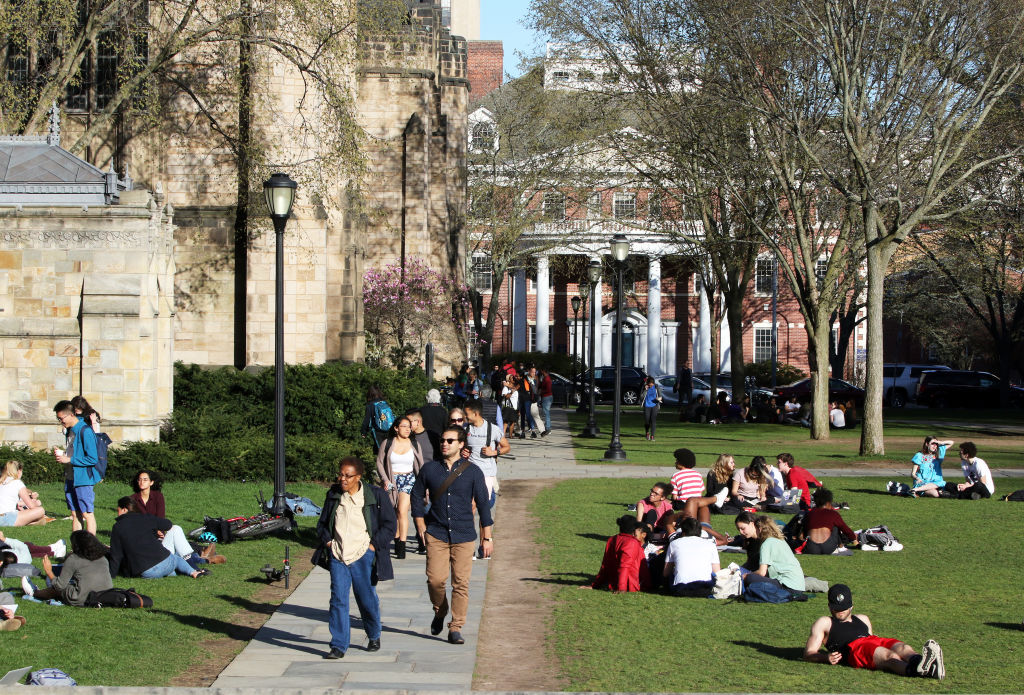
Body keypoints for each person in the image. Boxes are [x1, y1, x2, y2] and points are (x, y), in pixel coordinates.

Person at [412, 427, 493, 646]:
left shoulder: (473, 472)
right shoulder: (430, 469)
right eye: (442, 440)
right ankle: (440, 611)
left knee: (461, 584)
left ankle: (456, 627)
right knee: (435, 580)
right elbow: (416, 494)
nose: (444, 443)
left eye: (450, 440)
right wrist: (419, 521)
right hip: (436, 533)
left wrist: (487, 537)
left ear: (461, 445)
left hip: (464, 535)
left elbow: (484, 504)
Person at [316, 457, 396, 659]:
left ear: (358, 477)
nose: (342, 479)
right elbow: (322, 524)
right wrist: (329, 543)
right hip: (338, 555)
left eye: (347, 476)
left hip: (363, 555)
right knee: (338, 599)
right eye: (341, 474)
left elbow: (390, 525)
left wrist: (372, 547)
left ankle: (374, 634)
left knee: (366, 598)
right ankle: (339, 645)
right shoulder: (334, 495)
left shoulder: (375, 495)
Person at [804, 584, 944, 679]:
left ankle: (926, 665)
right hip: (854, 649)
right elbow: (808, 654)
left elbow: (872, 640)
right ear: (829, 606)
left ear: (852, 606)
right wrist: (825, 657)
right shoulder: (824, 622)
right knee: (889, 656)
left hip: (873, 640)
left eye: (844, 608)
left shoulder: (863, 618)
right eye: (837, 608)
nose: (840, 612)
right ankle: (924, 670)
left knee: (903, 648)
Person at [108, 497, 208, 579]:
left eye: (118, 510)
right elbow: (168, 524)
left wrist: (111, 576)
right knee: (176, 559)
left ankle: (177, 571)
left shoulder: (117, 527)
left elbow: (116, 555)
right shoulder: (145, 518)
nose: (118, 512)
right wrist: (155, 529)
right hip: (164, 560)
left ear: (124, 509)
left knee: (167, 571)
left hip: (145, 571)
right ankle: (193, 572)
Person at [375, 416, 425, 560]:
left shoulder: (414, 443)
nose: (407, 429)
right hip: (392, 479)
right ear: (396, 428)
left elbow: (421, 464)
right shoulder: (388, 443)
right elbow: (379, 462)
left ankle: (401, 546)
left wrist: (424, 484)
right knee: (394, 511)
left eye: (409, 426)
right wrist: (385, 479)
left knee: (402, 511)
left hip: (409, 479)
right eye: (404, 426)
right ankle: (396, 540)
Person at [22, 531, 113, 606]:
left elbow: (59, 586)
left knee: (57, 590)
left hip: (82, 599)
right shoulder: (102, 558)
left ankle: (34, 593)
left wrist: (49, 571)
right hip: (105, 596)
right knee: (71, 584)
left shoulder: (74, 559)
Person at [53, 400, 100, 535]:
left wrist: (69, 459)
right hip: (70, 477)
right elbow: (73, 452)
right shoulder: (70, 431)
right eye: (59, 419)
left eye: (62, 418)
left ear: (71, 415)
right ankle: (77, 549)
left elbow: (92, 458)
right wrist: (63, 454)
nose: (61, 421)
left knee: (87, 514)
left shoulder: (85, 431)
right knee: (75, 514)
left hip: (83, 479)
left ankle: (91, 549)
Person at [734, 513, 805, 591]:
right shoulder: (777, 540)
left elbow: (762, 572)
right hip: (796, 583)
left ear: (758, 527)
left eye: (742, 528)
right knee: (740, 573)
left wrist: (747, 575)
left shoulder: (766, 543)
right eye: (739, 529)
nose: (740, 532)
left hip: (785, 584)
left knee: (749, 578)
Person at [463, 399, 510, 512]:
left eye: (466, 414)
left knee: (484, 509)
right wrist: (462, 452)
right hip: (469, 472)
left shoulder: (493, 429)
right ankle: (469, 529)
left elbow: (507, 447)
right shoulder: (466, 429)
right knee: (471, 505)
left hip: (486, 473)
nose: (465, 417)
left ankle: (484, 528)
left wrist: (493, 452)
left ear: (475, 414)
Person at [588, 514, 650, 593]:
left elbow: (605, 565)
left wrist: (595, 585)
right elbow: (624, 566)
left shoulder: (612, 539)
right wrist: (622, 588)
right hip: (631, 584)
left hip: (614, 582)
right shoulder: (632, 542)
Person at [663, 517, 720, 596]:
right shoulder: (711, 545)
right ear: (700, 532)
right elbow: (717, 572)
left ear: (683, 532)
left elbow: (666, 573)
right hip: (705, 588)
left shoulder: (674, 544)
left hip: (680, 589)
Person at [800, 489, 859, 555]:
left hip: (811, 548)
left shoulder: (809, 514)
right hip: (828, 547)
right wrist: (854, 538)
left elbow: (804, 529)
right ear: (828, 502)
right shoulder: (833, 514)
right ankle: (841, 547)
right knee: (836, 526)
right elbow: (845, 529)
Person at [0, 461, 46, 527]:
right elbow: (32, 506)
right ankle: (31, 522)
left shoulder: (1, 482)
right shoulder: (17, 482)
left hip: (4, 516)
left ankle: (30, 522)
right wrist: (36, 503)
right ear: (19, 471)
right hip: (6, 517)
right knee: (40, 510)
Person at [359, 385, 394, 456]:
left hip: (377, 431)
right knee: (389, 451)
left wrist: (364, 432)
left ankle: (382, 466)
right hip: (389, 430)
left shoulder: (370, 405)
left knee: (381, 452)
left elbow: (367, 420)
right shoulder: (384, 403)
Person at [500, 374, 520, 439]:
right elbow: (506, 396)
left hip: (514, 407)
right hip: (508, 406)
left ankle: (510, 435)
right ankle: (503, 435)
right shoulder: (506, 388)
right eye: (512, 378)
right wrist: (511, 392)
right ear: (508, 379)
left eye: (514, 378)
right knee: (505, 422)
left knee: (513, 421)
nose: (513, 379)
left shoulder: (515, 386)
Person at [642, 376, 662, 441]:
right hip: (647, 406)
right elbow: (641, 397)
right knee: (647, 421)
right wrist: (645, 390)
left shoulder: (656, 387)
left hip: (654, 405)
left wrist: (658, 399)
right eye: (649, 383)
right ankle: (647, 433)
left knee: (653, 420)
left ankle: (652, 436)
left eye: (652, 383)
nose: (651, 385)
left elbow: (660, 396)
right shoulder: (645, 387)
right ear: (647, 383)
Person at [538, 368, 554, 436]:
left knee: (546, 413)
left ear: (544, 371)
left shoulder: (547, 379)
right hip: (546, 396)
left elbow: (548, 389)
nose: (541, 372)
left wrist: (541, 392)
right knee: (546, 412)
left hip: (546, 397)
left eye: (542, 371)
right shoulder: (545, 378)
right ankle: (547, 427)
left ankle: (548, 428)